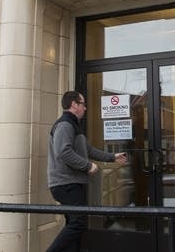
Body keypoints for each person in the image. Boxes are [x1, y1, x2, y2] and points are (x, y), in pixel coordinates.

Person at [46, 90, 127, 252]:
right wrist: (87, 165)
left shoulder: (74, 125)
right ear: (74, 104)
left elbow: (88, 150)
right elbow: (63, 152)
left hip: (72, 183)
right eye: (83, 104)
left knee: (74, 224)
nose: (85, 108)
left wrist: (112, 157)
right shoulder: (65, 124)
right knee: (78, 223)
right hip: (66, 184)